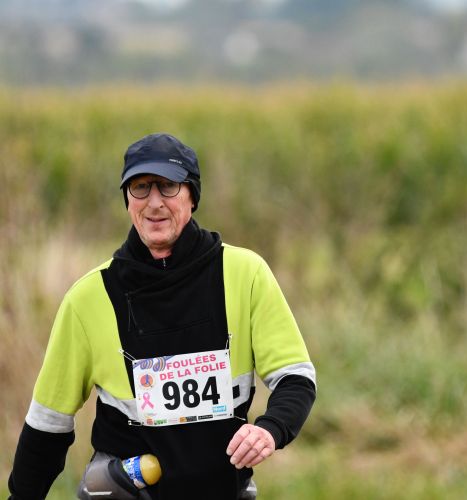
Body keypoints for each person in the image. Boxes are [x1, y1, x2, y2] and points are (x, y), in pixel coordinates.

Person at [8, 133, 316, 499]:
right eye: (140, 187)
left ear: (192, 196)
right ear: (128, 200)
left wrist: (270, 428)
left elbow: (296, 378)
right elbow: (48, 424)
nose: (154, 202)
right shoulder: (88, 298)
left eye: (168, 186)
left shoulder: (245, 273)